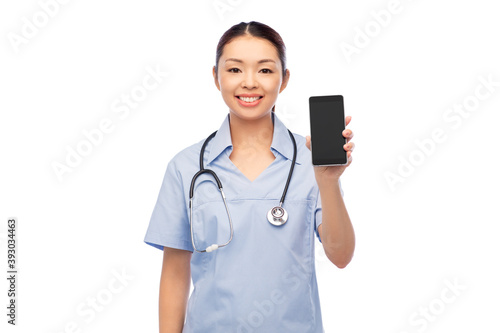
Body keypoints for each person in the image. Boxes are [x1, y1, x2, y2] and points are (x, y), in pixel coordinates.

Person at [144, 21, 355, 333]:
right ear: (216, 77)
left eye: (265, 70)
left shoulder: (313, 161)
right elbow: (176, 272)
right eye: (234, 70)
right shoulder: (186, 166)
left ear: (284, 80)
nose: (250, 82)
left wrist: (328, 180)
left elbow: (341, 255)